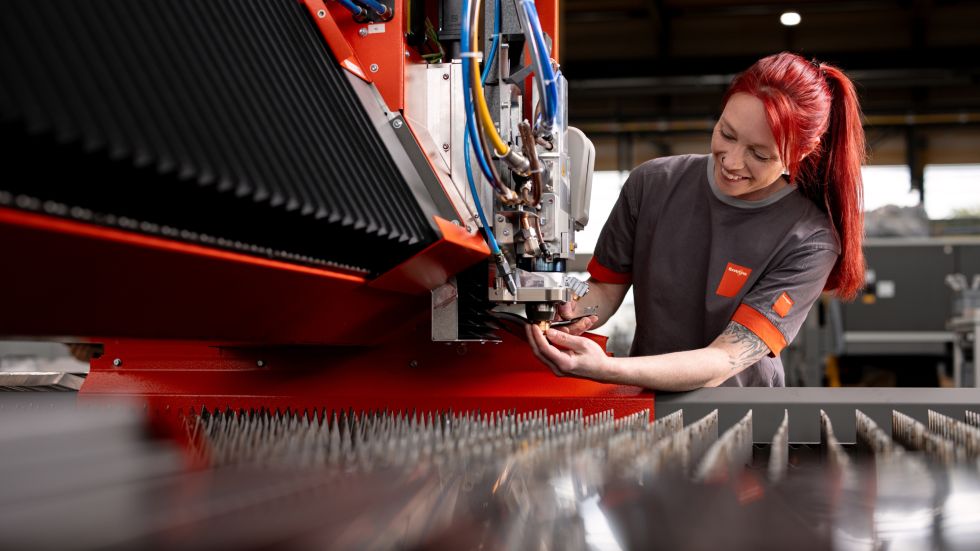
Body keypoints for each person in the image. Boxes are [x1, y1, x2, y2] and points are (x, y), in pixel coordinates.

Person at [527, 52, 866, 391]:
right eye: (727, 134)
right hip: (647, 410)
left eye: (759, 154)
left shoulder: (810, 239)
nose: (732, 162)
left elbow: (724, 359)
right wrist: (566, 310)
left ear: (802, 153)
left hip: (746, 422)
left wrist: (609, 369)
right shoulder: (652, 184)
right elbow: (605, 289)